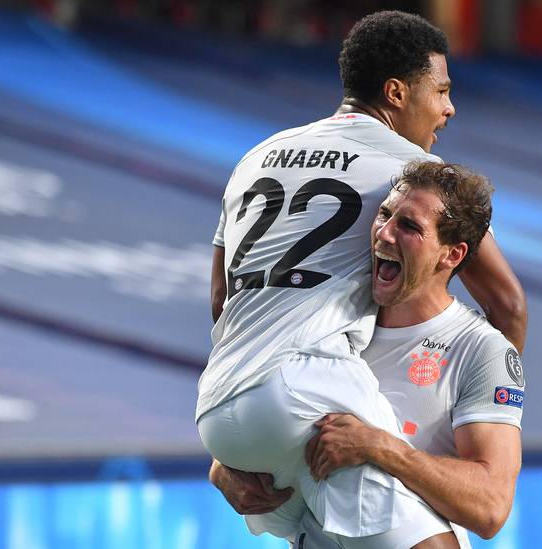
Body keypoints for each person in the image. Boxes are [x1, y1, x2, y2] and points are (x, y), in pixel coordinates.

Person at [196, 10, 526, 549]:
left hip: (219, 405)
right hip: (309, 392)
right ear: (396, 93)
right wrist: (492, 409)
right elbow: (508, 304)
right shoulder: (413, 174)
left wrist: (245, 418)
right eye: (441, 91)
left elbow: (221, 299)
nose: (449, 108)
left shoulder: (257, 157)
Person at [216, 161, 524, 549]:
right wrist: (225, 466)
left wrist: (380, 447)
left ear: (451, 255)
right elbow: (265, 399)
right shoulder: (328, 317)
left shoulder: (480, 350)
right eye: (384, 214)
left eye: (409, 226)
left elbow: (491, 507)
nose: (384, 232)